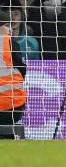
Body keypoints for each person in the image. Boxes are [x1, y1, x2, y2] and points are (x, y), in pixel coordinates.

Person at [0, 9, 27, 139]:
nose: (10, 29)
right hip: (13, 105)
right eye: (6, 26)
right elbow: (22, 70)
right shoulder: (9, 42)